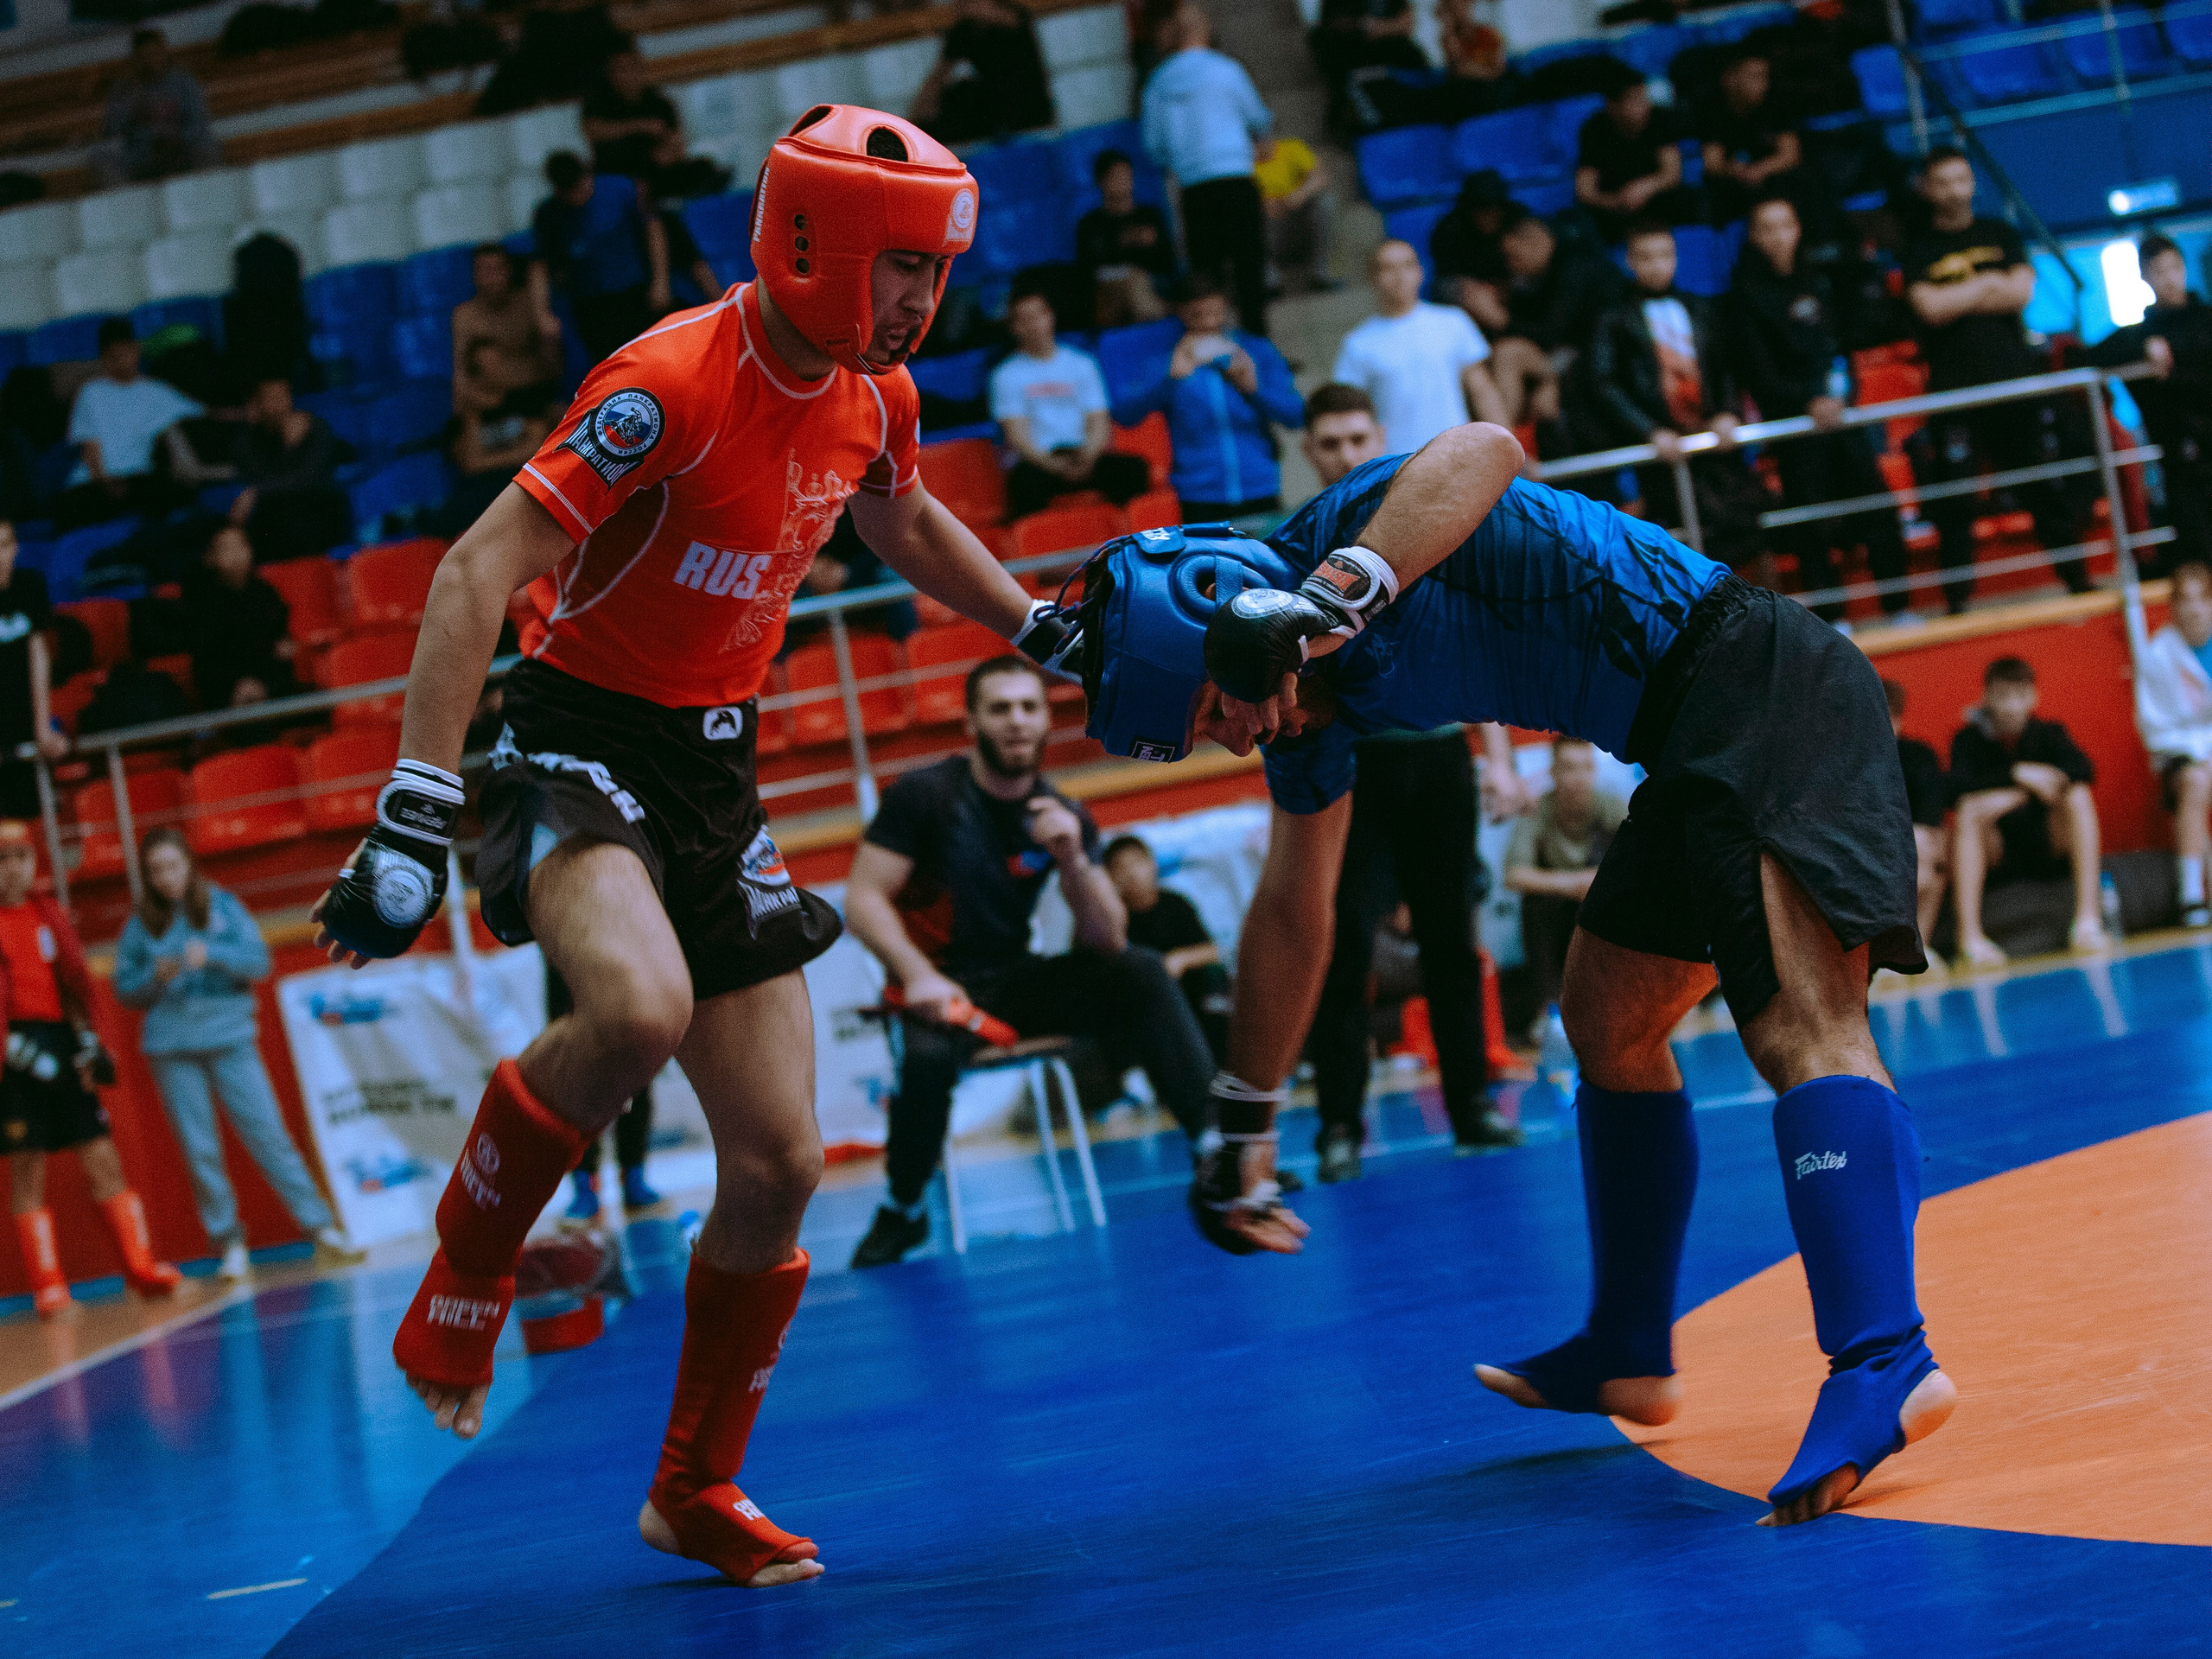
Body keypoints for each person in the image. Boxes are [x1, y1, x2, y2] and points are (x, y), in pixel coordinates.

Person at [311, 107, 1055, 1590]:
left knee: (781, 1161)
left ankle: (693, 1491)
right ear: (812, 244)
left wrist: (1035, 621)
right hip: (572, 737)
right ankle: (468, 1261)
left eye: (937, 272)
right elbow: (474, 570)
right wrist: (411, 801)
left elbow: (900, 528)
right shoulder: (664, 383)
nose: (923, 301)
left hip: (717, 772)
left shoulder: (875, 396)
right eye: (900, 266)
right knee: (638, 1008)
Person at [1061, 413, 1956, 1529]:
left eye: (1212, 706)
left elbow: (1487, 445)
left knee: (1800, 1028)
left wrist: (1344, 589)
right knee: (1607, 1021)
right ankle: (1630, 1349)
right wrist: (1241, 1123)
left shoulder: (1350, 532)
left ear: (1233, 614)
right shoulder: (1309, 722)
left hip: (1767, 687)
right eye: (1204, 731)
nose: (1234, 736)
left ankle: (1886, 1360)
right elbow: (1295, 915)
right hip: (1684, 741)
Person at [842, 657, 1215, 1267]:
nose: (1017, 722)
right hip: (940, 986)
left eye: (1029, 707)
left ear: (1047, 721)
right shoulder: (925, 796)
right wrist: (917, 975)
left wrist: (1071, 858)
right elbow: (862, 898)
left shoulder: (1062, 812)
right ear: (972, 725)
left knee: (1142, 971)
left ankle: (1217, 1147)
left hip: (1016, 977)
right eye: (1000, 708)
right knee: (928, 1064)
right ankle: (903, 1210)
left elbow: (1108, 941)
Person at [114, 829, 363, 1283]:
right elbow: (125, 990)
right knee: (199, 1149)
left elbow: (258, 962)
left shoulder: (223, 906)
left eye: (172, 865)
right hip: (171, 1047)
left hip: (230, 1038)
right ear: (146, 878)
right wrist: (155, 976)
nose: (166, 877)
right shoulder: (140, 924)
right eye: (155, 871)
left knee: (269, 1134)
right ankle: (228, 1242)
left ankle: (321, 1227)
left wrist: (212, 955)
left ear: (189, 864)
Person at [3, 821, 182, 1321]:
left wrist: (88, 1043)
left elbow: (77, 985)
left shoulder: (47, 912)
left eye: (21, 857)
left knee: (103, 1157)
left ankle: (142, 1272)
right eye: (2, 860)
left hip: (61, 1041)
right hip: (14, 1055)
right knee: (27, 1169)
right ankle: (50, 1290)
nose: (13, 869)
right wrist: (21, 1055)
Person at [1903, 147, 2094, 613]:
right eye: (1943, 180)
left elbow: (2020, 291)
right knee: (1955, 502)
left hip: (2013, 383)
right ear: (1928, 188)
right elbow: (1929, 307)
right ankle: (1956, 603)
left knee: (2039, 485)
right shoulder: (1916, 248)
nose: (1955, 189)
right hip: (1953, 392)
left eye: (1962, 178)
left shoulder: (2000, 232)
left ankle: (2077, 579)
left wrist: (1959, 296)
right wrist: (1987, 286)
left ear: (1973, 183)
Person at [1730, 194, 1910, 624]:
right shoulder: (1744, 297)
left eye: (1786, 225)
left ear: (1798, 229)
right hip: (1794, 428)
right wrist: (1806, 403)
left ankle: (1898, 607)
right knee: (1812, 524)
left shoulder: (1820, 281)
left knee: (1878, 508)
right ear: (1754, 237)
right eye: (1767, 228)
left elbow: (1840, 348)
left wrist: (1840, 398)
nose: (1779, 237)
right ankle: (1834, 620)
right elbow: (1757, 373)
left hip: (1840, 416)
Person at [1579, 219, 1770, 574]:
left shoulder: (1702, 308)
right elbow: (1605, 384)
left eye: (1666, 255)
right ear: (1629, 262)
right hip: (1661, 453)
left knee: (1747, 534)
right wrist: (1648, 431)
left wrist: (1729, 412)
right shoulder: (1613, 320)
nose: (1657, 265)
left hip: (1716, 441)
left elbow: (1725, 366)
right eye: (1646, 257)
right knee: (1681, 552)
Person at [1948, 656, 2106, 966]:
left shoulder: (2049, 732)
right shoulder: (1967, 739)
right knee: (1968, 809)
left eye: (2019, 696)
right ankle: (1970, 938)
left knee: (2078, 795)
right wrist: (2018, 775)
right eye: (2003, 696)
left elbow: (2083, 768)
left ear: (2033, 698)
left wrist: (2022, 789)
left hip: (2048, 840)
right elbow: (1954, 788)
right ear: (1987, 697)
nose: (2010, 706)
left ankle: (2088, 922)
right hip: (1998, 850)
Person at [1109, 273, 1301, 521]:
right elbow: (1124, 415)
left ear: (1225, 307)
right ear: (1180, 313)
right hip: (1197, 493)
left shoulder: (1255, 350)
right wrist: (1169, 378)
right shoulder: (1168, 359)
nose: (1208, 324)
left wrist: (1253, 388)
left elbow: (1296, 415)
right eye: (1196, 315)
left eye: (1214, 312)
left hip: (1259, 483)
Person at [2079, 233, 2212, 573]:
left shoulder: (2206, 320)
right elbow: (2087, 356)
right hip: (2182, 463)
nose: (2169, 278)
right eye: (2159, 270)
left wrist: (2173, 366)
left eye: (2175, 268)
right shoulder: (2139, 334)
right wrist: (2145, 349)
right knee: (2199, 553)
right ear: (2144, 277)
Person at [1142, 5, 1274, 336]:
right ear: (1203, 29)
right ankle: (1260, 346)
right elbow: (1258, 118)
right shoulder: (1226, 69)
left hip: (1193, 189)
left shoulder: (1157, 84)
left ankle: (1216, 347)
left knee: (1207, 278)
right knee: (1249, 269)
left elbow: (1155, 148)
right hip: (1236, 180)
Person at [1456, 208, 1623, 440]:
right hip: (1556, 360)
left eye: (1514, 257)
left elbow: (1554, 334)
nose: (1511, 265)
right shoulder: (1528, 279)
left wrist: (1499, 317)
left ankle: (1499, 443)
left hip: (1592, 360)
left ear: (1539, 243)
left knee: (1509, 353)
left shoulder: (1576, 269)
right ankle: (1500, 440)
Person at [989, 288, 1152, 521]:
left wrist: (1089, 457)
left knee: (1133, 469)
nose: (1034, 325)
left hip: (1084, 455)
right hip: (1040, 462)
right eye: (1024, 320)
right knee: (1023, 484)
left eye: (1039, 315)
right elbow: (1017, 437)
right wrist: (1054, 465)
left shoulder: (1081, 364)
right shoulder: (1006, 374)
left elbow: (1099, 420)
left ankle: (1128, 539)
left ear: (1051, 316)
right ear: (1014, 328)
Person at [1332, 239, 1508, 452]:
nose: (1399, 276)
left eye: (1407, 265)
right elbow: (1350, 415)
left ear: (1420, 272)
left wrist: (1508, 446)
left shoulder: (1453, 322)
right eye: (1388, 268)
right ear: (1372, 277)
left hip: (1459, 455)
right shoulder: (1358, 344)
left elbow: (1482, 390)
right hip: (1395, 465)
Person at [1503, 737, 1628, 1023]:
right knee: (1534, 905)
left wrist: (1606, 883)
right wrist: (1572, 884)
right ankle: (1547, 1011)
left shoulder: (1611, 807)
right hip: (1557, 917)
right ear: (1554, 772)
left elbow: (1650, 861)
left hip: (1602, 913)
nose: (1579, 778)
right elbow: (1513, 874)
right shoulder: (1538, 811)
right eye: (1570, 768)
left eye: (1586, 768)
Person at [59, 319, 200, 529]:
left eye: (127, 353)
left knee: (180, 495)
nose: (123, 361)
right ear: (104, 359)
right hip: (95, 483)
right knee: (72, 508)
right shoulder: (91, 392)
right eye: (114, 357)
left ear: (136, 350)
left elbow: (204, 413)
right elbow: (91, 451)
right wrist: (105, 484)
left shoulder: (156, 391)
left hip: (138, 480)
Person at [531, 152, 670, 366]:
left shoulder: (621, 189)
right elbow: (540, 265)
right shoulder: (549, 214)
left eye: (581, 186)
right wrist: (542, 313)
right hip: (589, 304)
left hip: (634, 293)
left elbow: (653, 230)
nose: (578, 196)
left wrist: (661, 281)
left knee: (651, 358)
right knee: (609, 366)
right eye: (570, 193)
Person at [545, 965, 661, 1220]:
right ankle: (585, 1186)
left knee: (636, 1054)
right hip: (570, 956)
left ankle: (634, 1174)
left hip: (627, 952)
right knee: (576, 1064)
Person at [1102, 835, 1230, 1065]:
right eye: (1121, 868)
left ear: (1151, 864)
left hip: (1194, 1001)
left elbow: (1213, 950)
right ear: (1109, 877)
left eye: (1136, 863)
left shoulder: (1175, 904)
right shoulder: (1110, 919)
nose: (1131, 874)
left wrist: (1179, 960)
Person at [2133, 560, 2212, 927]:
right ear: (2173, 607)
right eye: (2185, 600)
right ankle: (2191, 894)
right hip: (2179, 759)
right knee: (2196, 783)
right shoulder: (2159, 654)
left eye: (2201, 599)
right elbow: (2155, 729)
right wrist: (2200, 754)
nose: (2193, 609)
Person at [224, 378, 355, 562]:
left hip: (318, 512)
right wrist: (284, 446)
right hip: (276, 522)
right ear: (256, 404)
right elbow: (257, 478)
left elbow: (310, 478)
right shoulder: (246, 442)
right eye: (273, 399)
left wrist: (294, 447)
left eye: (284, 397)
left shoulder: (315, 428)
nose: (282, 406)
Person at [1574, 60, 1698, 243]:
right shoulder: (1594, 129)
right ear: (1612, 105)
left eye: (1644, 98)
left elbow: (1672, 173)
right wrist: (1615, 201)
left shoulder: (1658, 119)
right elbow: (1585, 190)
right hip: (1617, 206)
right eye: (1634, 100)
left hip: (1656, 197)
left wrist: (1645, 188)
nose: (1643, 106)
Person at [437, 353, 558, 538]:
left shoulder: (526, 402)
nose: (495, 373)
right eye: (484, 369)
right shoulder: (463, 421)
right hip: (477, 490)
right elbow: (469, 463)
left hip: (518, 480)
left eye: (499, 362)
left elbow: (536, 448)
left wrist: (485, 461)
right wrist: (472, 411)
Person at [181, 524, 297, 709]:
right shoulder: (200, 601)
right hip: (226, 690)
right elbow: (208, 660)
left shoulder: (266, 593)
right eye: (227, 548)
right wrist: (238, 685)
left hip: (270, 683)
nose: (236, 554)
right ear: (210, 557)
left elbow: (281, 647)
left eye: (241, 545)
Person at [1698, 49, 1814, 231]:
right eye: (1753, 76)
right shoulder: (1712, 110)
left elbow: (1790, 154)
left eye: (1764, 77)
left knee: (1805, 179)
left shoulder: (1776, 102)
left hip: (1770, 177)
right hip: (1735, 182)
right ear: (1729, 79)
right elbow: (1712, 163)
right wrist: (1733, 170)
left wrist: (1759, 170)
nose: (1762, 84)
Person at [912, 0, 1055, 143]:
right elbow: (937, 78)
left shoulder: (1014, 16)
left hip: (1028, 110)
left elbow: (1006, 18)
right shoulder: (964, 30)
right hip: (993, 111)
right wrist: (914, 123)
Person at [0, 522, 67, 821]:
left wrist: (41, 724)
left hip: (24, 714)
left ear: (16, 547)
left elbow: (38, 655)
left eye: (5, 545)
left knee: (34, 816)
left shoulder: (30, 585)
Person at [95, 28, 219, 187]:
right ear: (136, 60)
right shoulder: (124, 89)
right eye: (144, 56)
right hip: (143, 154)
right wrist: (126, 100)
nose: (151, 61)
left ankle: (207, 194)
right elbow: (112, 131)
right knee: (102, 158)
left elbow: (199, 121)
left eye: (155, 54)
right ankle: (127, 207)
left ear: (165, 53)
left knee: (207, 147)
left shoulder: (183, 81)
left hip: (182, 148)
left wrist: (178, 138)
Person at [1884, 678, 1952, 962]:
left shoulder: (1918, 756)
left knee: (1931, 867)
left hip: (1917, 847)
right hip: (1874, 850)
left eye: (1888, 716)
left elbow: (1932, 812)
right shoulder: (1843, 765)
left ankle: (1914, 948)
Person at [453, 244, 565, 416]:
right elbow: (460, 374)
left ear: (509, 271)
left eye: (497, 270)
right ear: (474, 275)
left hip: (533, 396)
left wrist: (547, 334)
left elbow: (553, 370)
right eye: (484, 271)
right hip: (490, 403)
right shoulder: (464, 316)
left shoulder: (528, 305)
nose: (491, 278)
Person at [1073, 149, 1173, 328]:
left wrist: (1150, 244)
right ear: (1101, 181)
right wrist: (1124, 243)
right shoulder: (1090, 224)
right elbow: (1089, 270)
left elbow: (1169, 261)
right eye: (1116, 177)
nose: (1124, 182)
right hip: (1112, 291)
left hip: (1155, 285)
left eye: (1127, 176)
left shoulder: (1149, 216)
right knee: (1133, 280)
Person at [1255, 135, 1335, 297]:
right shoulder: (1241, 164)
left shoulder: (1291, 148)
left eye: (1260, 137)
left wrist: (1298, 195)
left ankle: (1320, 274)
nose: (1258, 144)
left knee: (1326, 203)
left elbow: (1322, 178)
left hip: (1299, 221)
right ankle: (1270, 283)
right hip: (1269, 229)